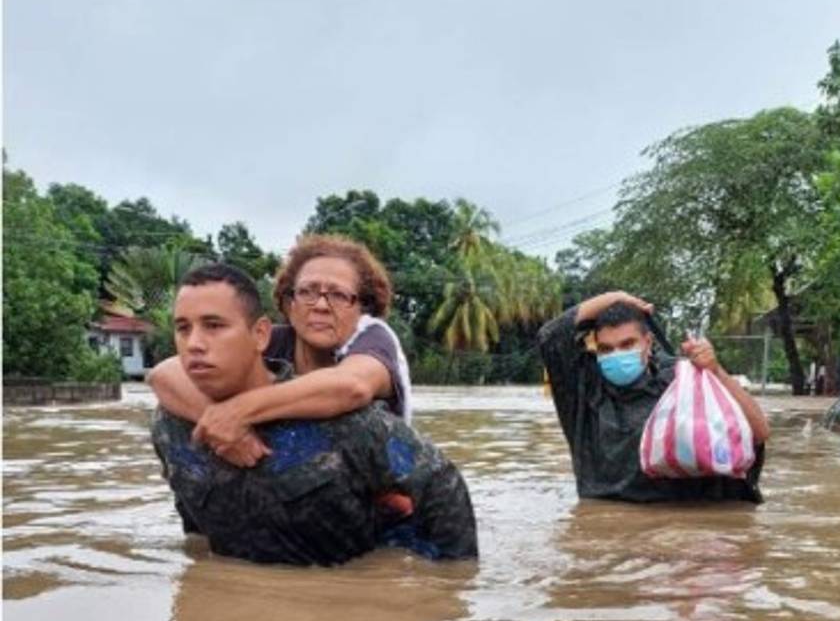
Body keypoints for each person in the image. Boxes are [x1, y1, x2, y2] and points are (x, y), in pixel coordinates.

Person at [152, 263, 476, 565]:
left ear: (259, 336)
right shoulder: (171, 425)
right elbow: (194, 525)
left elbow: (443, 486)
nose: (194, 343)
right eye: (182, 328)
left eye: (214, 326)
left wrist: (442, 589)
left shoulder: (351, 423)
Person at [148, 235, 411, 468]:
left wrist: (237, 412)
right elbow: (164, 373)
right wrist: (219, 425)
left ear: (363, 308)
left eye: (339, 295)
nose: (320, 305)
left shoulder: (374, 338)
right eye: (306, 292)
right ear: (289, 303)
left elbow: (352, 386)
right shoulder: (271, 338)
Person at [538, 291, 770, 503]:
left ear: (648, 343)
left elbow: (758, 433)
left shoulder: (684, 380)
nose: (617, 354)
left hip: (688, 525)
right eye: (606, 349)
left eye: (627, 344)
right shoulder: (584, 391)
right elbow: (550, 335)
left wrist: (716, 371)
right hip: (613, 522)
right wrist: (616, 297)